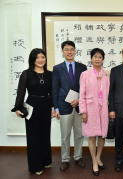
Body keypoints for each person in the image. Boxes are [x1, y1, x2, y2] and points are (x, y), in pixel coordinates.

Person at [11, 48, 55, 176]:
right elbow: (21, 92)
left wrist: (53, 107)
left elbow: (52, 93)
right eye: (37, 57)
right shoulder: (26, 74)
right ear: (32, 59)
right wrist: (17, 108)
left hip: (46, 106)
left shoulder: (50, 74)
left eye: (42, 57)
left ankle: (46, 161)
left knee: (45, 135)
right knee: (33, 137)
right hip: (32, 106)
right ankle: (35, 166)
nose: (40, 60)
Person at [52, 41, 87, 171]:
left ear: (75, 51)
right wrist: (56, 108)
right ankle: (65, 159)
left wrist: (79, 99)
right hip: (63, 106)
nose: (69, 52)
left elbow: (85, 88)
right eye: (66, 49)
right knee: (65, 135)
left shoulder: (82, 67)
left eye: (72, 49)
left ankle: (78, 157)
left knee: (79, 134)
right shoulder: (57, 68)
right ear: (62, 51)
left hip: (79, 106)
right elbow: (55, 89)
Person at [79, 48, 110, 176]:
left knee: (102, 135)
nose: (97, 59)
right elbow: (82, 94)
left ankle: (98, 157)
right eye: (95, 56)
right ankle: (94, 161)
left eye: (100, 57)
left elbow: (109, 92)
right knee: (92, 135)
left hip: (103, 109)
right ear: (91, 58)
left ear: (103, 59)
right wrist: (83, 111)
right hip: (90, 109)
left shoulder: (107, 74)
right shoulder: (85, 74)